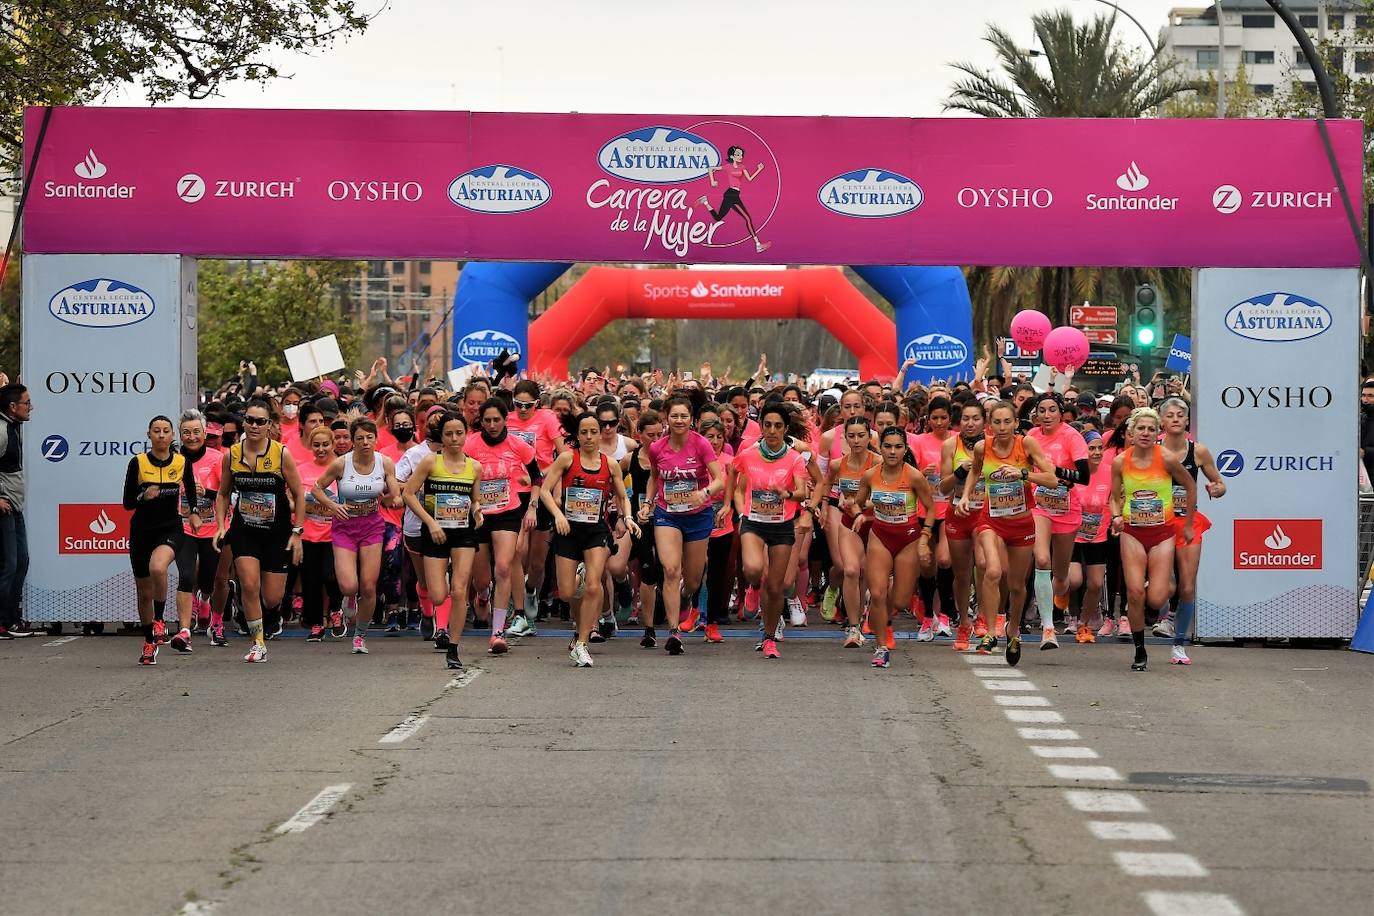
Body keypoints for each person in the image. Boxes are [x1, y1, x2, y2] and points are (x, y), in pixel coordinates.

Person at [959, 400, 1057, 665]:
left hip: (1022, 523)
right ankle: (990, 631)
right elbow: (976, 472)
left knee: (1016, 585)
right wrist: (966, 495)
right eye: (996, 422)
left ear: (1016, 423)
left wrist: (1023, 474)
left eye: (1007, 422)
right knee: (992, 570)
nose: (1001, 428)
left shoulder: (1026, 445)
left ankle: (1013, 630)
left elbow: (1052, 479)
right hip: (991, 520)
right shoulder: (983, 447)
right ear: (989, 425)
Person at [541, 412, 639, 667]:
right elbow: (544, 490)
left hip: (596, 529)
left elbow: (622, 496)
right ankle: (579, 602)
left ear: (600, 433)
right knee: (566, 592)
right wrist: (557, 515)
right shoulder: (566, 459)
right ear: (577, 434)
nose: (588, 437)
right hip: (568, 529)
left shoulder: (610, 464)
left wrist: (627, 518)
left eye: (593, 431)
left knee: (595, 584)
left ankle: (582, 643)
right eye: (583, 432)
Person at [214, 398, 306, 663]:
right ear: (244, 422)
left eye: (260, 421)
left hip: (276, 532)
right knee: (249, 584)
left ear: (269, 425)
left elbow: (299, 494)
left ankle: (273, 613)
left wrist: (297, 532)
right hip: (245, 530)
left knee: (272, 597)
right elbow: (222, 494)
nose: (254, 426)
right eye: (250, 420)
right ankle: (258, 643)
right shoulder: (232, 454)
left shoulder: (281, 454)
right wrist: (221, 527)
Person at [637, 396, 725, 655]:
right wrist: (648, 502)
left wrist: (705, 492)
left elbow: (719, 479)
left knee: (694, 581)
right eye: (674, 416)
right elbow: (654, 478)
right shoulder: (657, 448)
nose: (679, 421)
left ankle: (688, 598)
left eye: (684, 416)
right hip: (668, 515)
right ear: (666, 418)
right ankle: (674, 631)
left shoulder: (702, 445)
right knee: (671, 569)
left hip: (698, 515)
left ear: (691, 419)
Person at [1110, 407, 1195, 672]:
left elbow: (1190, 486)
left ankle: (1159, 585)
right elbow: (1114, 497)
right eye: (1141, 429)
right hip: (1133, 532)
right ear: (1131, 433)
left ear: (1156, 433)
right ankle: (1139, 650)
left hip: (1162, 534)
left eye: (1150, 429)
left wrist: (1189, 523)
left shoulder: (1167, 458)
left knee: (1156, 599)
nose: (1145, 433)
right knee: (1135, 592)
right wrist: (1115, 516)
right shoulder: (1120, 462)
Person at [311, 418, 400, 656]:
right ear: (353, 440)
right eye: (359, 438)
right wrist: (332, 505)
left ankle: (360, 635)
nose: (365, 442)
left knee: (369, 587)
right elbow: (316, 488)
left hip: (372, 525)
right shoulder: (341, 464)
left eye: (369, 437)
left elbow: (394, 489)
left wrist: (393, 496)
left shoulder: (385, 463)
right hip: (344, 526)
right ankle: (349, 598)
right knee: (349, 585)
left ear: (375, 439)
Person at [403, 411, 484, 671]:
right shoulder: (430, 462)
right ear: (442, 436)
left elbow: (475, 498)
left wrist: (477, 511)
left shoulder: (475, 467)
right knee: (438, 595)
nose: (454, 438)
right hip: (435, 533)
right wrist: (430, 522)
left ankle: (454, 648)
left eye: (459, 433)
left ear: (466, 434)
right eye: (449, 434)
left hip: (463, 534)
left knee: (460, 591)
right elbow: (408, 493)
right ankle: (443, 585)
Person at [852, 426, 937, 669]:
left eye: (898, 447)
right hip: (880, 535)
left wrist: (924, 538)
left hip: (908, 539)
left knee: (899, 600)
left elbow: (930, 508)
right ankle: (880, 647)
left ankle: (880, 615)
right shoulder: (870, 475)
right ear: (880, 448)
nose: (892, 451)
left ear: (905, 449)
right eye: (887, 446)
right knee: (878, 592)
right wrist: (859, 514)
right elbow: (857, 502)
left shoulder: (913, 476)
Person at [733, 403, 812, 660]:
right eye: (767, 425)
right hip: (753, 522)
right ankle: (753, 587)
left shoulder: (794, 459)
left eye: (778, 426)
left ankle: (768, 637)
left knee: (777, 588)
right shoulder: (748, 454)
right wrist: (735, 509)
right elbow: (733, 479)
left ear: (786, 429)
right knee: (754, 569)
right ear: (762, 426)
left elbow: (802, 491)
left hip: (782, 526)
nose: (772, 430)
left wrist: (787, 494)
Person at [466, 398, 538, 655]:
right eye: (487, 420)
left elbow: (537, 475)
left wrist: (532, 506)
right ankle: (483, 595)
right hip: (478, 514)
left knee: (505, 567)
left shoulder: (518, 444)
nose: (493, 425)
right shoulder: (470, 443)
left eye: (497, 420)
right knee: (482, 578)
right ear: (481, 422)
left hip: (508, 511)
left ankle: (497, 632)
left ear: (505, 419)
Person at [1156, 398, 1225, 665]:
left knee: (1186, 586)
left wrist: (1217, 489)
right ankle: (1163, 615)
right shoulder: (1152, 448)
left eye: (1180, 415)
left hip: (1187, 522)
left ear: (1187, 421)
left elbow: (1219, 482)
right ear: (1162, 421)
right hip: (1157, 523)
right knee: (1164, 586)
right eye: (1169, 415)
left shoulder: (1198, 452)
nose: (1175, 419)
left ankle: (1179, 646)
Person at [124, 416, 199, 665]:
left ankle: (159, 621)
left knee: (158, 566)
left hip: (170, 528)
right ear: (149, 435)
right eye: (156, 431)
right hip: (142, 531)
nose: (161, 435)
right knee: (144, 592)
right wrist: (144, 495)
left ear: (171, 436)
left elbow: (190, 490)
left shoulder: (181, 461)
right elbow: (127, 502)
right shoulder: (138, 462)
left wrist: (195, 514)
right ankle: (148, 642)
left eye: (166, 431)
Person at [1027, 392, 1090, 649]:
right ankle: (1048, 628)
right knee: (1042, 560)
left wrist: (1057, 474)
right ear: (1036, 414)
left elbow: (1084, 476)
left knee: (1062, 576)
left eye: (1052, 409)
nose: (1047, 415)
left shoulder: (1071, 436)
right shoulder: (1031, 437)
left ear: (1061, 412)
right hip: (1038, 506)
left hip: (1066, 508)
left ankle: (1059, 595)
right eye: (1042, 410)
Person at [506, 379, 567, 634]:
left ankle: (531, 591)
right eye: (518, 404)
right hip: (513, 490)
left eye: (527, 405)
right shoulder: (506, 420)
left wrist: (557, 490)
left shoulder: (548, 418)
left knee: (538, 562)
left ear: (537, 403)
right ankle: (517, 602)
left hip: (541, 489)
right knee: (517, 551)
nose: (522, 409)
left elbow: (563, 455)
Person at [819, 415, 877, 648]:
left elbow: (891, 493)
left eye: (861, 435)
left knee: (867, 574)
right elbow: (827, 484)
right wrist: (825, 506)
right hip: (848, 522)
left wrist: (864, 505)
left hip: (874, 523)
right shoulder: (838, 464)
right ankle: (853, 628)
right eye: (851, 436)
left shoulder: (879, 462)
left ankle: (866, 617)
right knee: (851, 570)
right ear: (845, 437)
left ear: (869, 436)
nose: (856, 440)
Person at [174, 410, 225, 650]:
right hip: (182, 529)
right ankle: (184, 631)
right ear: (180, 435)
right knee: (186, 576)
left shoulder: (217, 459)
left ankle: (204, 598)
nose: (192, 437)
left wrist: (208, 493)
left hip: (211, 529)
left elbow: (229, 495)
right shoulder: (174, 460)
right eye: (187, 433)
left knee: (207, 580)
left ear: (204, 434)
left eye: (196, 432)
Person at [941, 400, 986, 651]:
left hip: (984, 514)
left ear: (984, 421)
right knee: (961, 574)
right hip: (957, 513)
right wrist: (961, 471)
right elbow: (943, 487)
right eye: (966, 419)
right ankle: (964, 622)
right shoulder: (950, 445)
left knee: (984, 564)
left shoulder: (991, 445)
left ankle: (982, 615)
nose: (970, 423)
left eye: (976, 418)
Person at [297, 426, 342, 641]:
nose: (321, 449)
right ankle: (316, 623)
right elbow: (294, 498)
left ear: (333, 444)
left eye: (326, 444)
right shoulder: (302, 470)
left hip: (335, 535)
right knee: (311, 581)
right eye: (316, 445)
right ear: (310, 446)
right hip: (308, 535)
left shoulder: (341, 468)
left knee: (331, 575)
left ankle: (335, 607)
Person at [1067, 431, 1112, 644]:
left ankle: (1083, 625)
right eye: (1091, 448)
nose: (1096, 452)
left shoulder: (1110, 472)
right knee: (1075, 579)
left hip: (1098, 534)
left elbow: (1115, 499)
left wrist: (1116, 517)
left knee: (1095, 584)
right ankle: (1062, 597)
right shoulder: (1075, 472)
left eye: (1099, 448)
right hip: (1073, 533)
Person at [0, 383, 32, 639]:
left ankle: (10, 621)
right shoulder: (1, 430)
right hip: (3, 506)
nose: (30, 407)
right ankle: (1, 621)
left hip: (15, 505)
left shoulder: (13, 426)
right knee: (9, 564)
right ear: (13, 407)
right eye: (26, 403)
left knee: (21, 562)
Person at [697, 144, 772, 253]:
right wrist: (712, 181)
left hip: (734, 194)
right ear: (732, 156)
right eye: (737, 154)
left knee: (718, 218)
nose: (740, 156)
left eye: (741, 154)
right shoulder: (728, 167)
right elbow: (711, 168)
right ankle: (758, 244)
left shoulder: (742, 167)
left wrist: (759, 169)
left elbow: (750, 179)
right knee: (747, 218)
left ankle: (705, 202)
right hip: (731, 194)